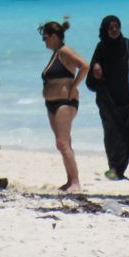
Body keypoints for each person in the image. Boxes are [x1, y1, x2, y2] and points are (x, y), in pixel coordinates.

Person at [86, 16, 129, 180]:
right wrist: (96, 67)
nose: (114, 30)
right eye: (110, 27)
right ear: (105, 30)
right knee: (112, 134)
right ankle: (113, 168)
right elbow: (93, 68)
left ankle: (120, 169)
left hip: (128, 97)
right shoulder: (101, 47)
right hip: (107, 99)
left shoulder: (127, 44)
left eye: (116, 27)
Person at [39, 20, 90, 193]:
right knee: (64, 142)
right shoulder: (56, 53)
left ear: (54, 36)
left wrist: (74, 87)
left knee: (62, 143)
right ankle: (70, 180)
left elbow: (85, 66)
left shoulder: (65, 51)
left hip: (64, 103)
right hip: (52, 103)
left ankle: (75, 181)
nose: (44, 41)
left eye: (45, 37)